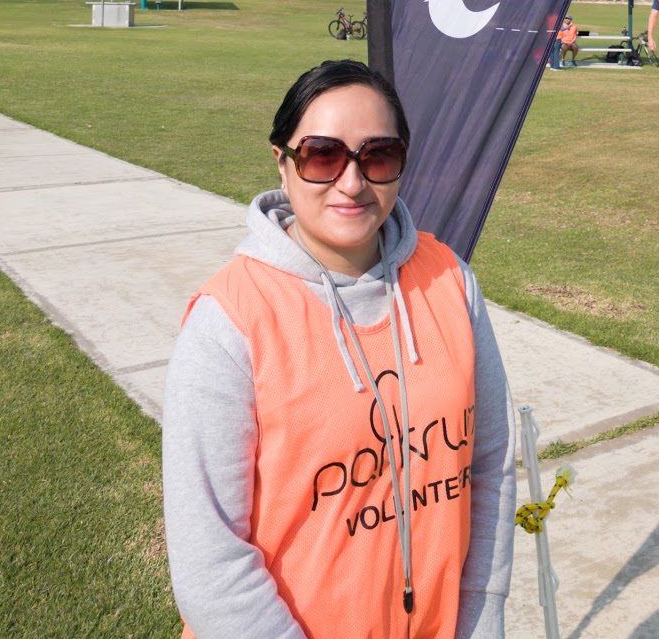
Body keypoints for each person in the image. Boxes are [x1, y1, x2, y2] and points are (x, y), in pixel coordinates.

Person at [163, 59, 516, 639]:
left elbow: (490, 465)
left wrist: (480, 617)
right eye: (322, 156)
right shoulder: (229, 320)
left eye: (377, 156)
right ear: (282, 162)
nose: (352, 183)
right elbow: (210, 559)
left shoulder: (450, 278)